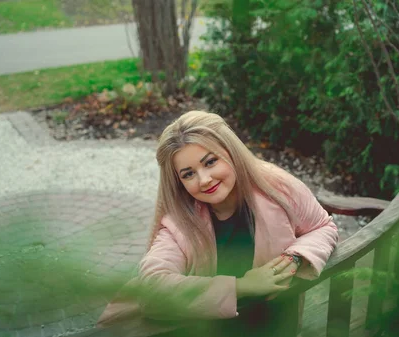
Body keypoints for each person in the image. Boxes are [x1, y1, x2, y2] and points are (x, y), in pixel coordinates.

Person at [97, 110, 339, 337]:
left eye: (210, 161)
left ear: (230, 152)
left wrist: (293, 259)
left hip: (274, 326)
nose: (204, 180)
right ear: (179, 182)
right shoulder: (179, 222)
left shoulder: (277, 188)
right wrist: (240, 286)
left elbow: (322, 226)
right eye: (188, 174)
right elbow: (151, 289)